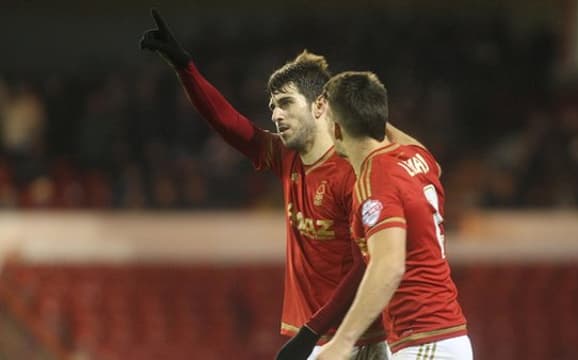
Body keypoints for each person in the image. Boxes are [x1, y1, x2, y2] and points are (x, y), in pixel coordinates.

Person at [139, 9, 419, 359]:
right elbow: (230, 124)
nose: (275, 114)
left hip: (353, 341)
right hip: (315, 337)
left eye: (285, 103)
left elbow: (368, 262)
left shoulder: (354, 171)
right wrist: (185, 68)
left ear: (320, 106)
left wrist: (314, 330)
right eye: (272, 106)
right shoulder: (286, 156)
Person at [315, 71, 473, 360]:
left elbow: (389, 265)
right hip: (440, 339)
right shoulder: (416, 160)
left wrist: (342, 342)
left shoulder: (376, 179)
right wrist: (364, 111)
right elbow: (434, 164)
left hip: (425, 343)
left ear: (337, 130)